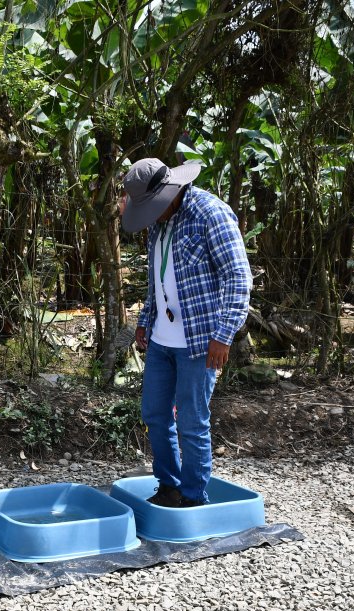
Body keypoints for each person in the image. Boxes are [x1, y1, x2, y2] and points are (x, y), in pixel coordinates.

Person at [122, 158, 252, 508]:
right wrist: (145, 319)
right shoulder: (159, 224)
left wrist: (224, 335)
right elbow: (158, 278)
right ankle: (169, 485)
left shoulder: (210, 214)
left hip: (200, 341)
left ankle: (193, 498)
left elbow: (238, 277)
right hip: (161, 340)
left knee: (192, 423)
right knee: (154, 414)